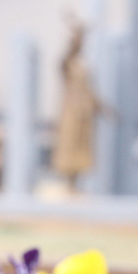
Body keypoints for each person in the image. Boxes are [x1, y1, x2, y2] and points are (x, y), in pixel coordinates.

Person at [52, 21, 105, 192]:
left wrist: (103, 108)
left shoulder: (83, 66)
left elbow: (90, 91)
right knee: (69, 147)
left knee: (82, 150)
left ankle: (76, 185)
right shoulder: (69, 63)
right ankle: (68, 185)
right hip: (71, 113)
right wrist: (75, 37)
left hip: (85, 114)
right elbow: (64, 60)